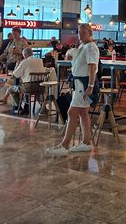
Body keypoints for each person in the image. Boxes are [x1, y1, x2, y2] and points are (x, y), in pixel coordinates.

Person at [46, 23, 99, 155]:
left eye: (83, 32)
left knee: (72, 112)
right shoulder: (83, 46)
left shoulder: (91, 47)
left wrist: (90, 87)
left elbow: (92, 67)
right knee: (83, 113)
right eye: (79, 32)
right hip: (79, 83)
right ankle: (86, 143)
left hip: (83, 84)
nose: (80, 34)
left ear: (90, 33)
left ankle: (64, 145)